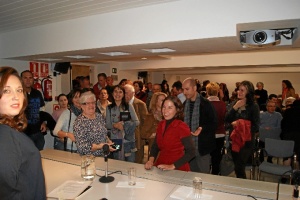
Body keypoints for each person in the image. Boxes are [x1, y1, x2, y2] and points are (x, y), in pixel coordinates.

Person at [0, 66, 46, 199]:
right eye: (6, 91)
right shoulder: (6, 136)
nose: (16, 97)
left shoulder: (10, 130)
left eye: (19, 90)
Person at [144, 96, 196, 171]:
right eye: (164, 107)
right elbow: (155, 146)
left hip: (177, 166)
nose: (165, 111)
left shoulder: (181, 127)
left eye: (170, 108)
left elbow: (191, 151)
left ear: (177, 110)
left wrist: (172, 166)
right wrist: (150, 161)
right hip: (161, 163)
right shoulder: (161, 124)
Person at [225, 80, 260, 179]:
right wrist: (235, 107)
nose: (239, 92)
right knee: (237, 166)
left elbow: (256, 126)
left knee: (239, 167)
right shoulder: (234, 103)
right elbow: (227, 119)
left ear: (248, 93)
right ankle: (240, 186)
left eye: (242, 90)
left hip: (246, 142)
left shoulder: (254, 106)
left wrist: (240, 124)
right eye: (238, 90)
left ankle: (243, 189)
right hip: (235, 139)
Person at [182, 77, 217, 173]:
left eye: (187, 89)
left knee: (203, 175)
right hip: (188, 147)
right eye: (183, 89)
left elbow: (214, 123)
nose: (184, 92)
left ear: (194, 88)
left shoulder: (206, 104)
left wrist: (202, 128)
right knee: (190, 175)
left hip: (202, 146)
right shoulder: (185, 104)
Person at [74, 91, 114, 156]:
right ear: (82, 105)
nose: (91, 105)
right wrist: (100, 146)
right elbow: (82, 147)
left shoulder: (99, 116)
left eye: (93, 103)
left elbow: (103, 133)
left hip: (104, 156)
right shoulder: (79, 122)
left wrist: (108, 141)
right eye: (88, 103)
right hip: (89, 159)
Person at [106, 85, 140, 162]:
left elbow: (137, 122)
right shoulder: (109, 108)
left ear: (123, 94)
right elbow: (107, 125)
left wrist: (125, 125)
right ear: (112, 93)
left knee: (130, 163)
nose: (117, 94)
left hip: (128, 139)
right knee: (117, 163)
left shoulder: (128, 106)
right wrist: (115, 125)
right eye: (115, 91)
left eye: (120, 92)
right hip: (115, 140)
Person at [21, 70, 47, 150]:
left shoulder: (37, 93)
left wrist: (44, 122)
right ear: (21, 79)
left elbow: (42, 109)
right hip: (24, 133)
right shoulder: (18, 94)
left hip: (38, 132)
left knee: (39, 156)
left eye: (30, 78)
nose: (28, 80)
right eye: (25, 78)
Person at [206, 82, 227, 175]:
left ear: (207, 92)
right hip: (220, 133)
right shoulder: (222, 104)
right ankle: (215, 176)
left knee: (206, 157)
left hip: (208, 134)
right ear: (217, 92)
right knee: (217, 157)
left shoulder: (205, 104)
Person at [124, 84, 148, 163]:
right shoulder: (121, 104)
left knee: (137, 162)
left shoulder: (140, 104)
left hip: (137, 139)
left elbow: (145, 123)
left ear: (133, 93)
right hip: (125, 138)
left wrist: (142, 137)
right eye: (124, 92)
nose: (125, 95)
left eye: (126, 92)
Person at [142, 92, 167, 157]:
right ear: (156, 102)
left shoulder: (167, 116)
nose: (164, 102)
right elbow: (143, 134)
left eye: (165, 100)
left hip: (166, 149)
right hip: (155, 150)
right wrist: (155, 134)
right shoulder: (150, 117)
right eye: (162, 100)